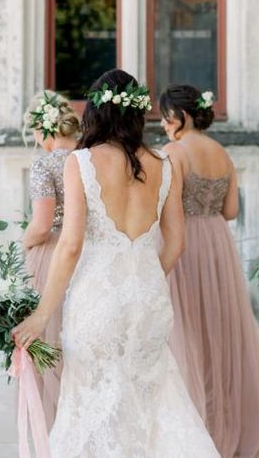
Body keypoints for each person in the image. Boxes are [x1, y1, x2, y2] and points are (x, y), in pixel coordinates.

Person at [13, 69, 219, 457]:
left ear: (95, 112)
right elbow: (175, 243)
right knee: (152, 402)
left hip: (97, 300)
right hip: (148, 298)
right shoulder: (163, 163)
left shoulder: (82, 162)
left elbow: (70, 245)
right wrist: (144, 279)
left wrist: (41, 314)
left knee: (91, 407)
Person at [160, 84, 259, 458]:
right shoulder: (223, 153)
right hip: (217, 245)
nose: (162, 124)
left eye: (165, 116)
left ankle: (196, 426)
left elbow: (166, 207)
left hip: (186, 244)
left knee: (185, 334)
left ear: (182, 117)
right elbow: (231, 211)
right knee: (218, 332)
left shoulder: (174, 152)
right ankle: (230, 422)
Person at [21, 90, 79, 428]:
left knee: (50, 339)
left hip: (53, 254)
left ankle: (55, 425)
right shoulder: (89, 157)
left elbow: (41, 225)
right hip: (89, 251)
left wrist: (24, 242)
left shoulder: (46, 163)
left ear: (43, 130)